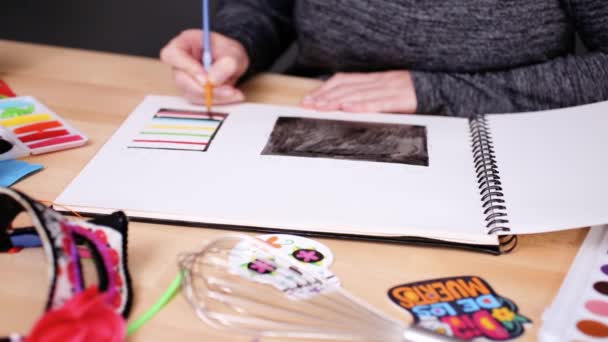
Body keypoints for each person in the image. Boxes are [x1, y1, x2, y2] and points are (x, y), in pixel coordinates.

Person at [160, 1, 608, 116]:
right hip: (315, 114)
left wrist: (435, 91)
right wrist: (238, 41)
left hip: (502, 142)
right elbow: (269, 6)